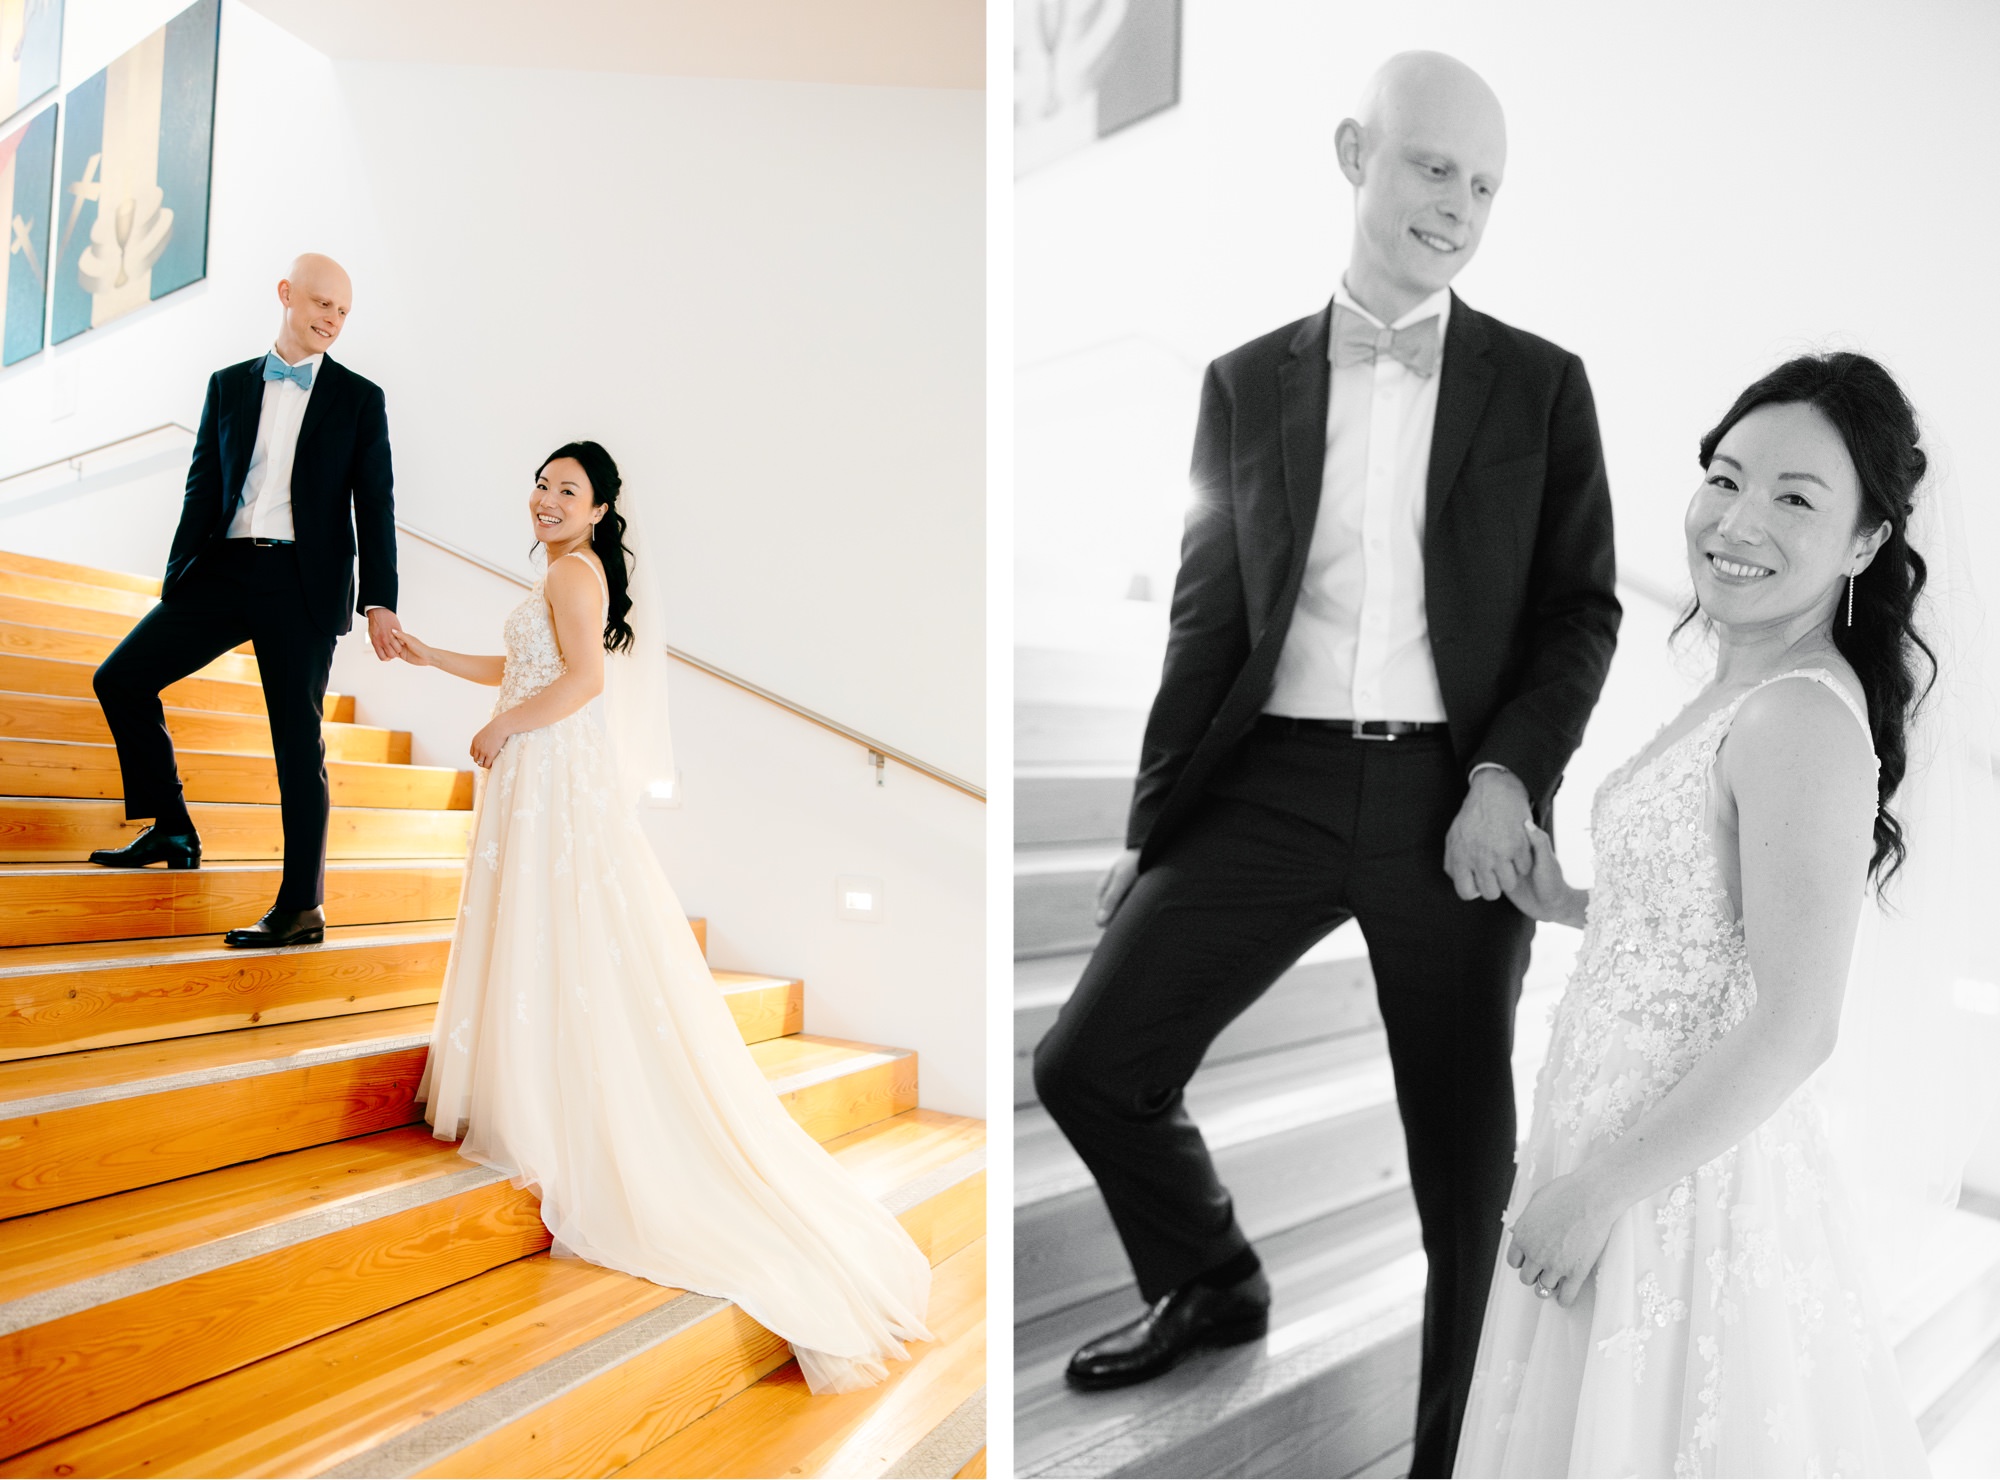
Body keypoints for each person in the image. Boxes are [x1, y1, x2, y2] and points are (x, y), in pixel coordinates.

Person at [1029, 50, 1621, 1475]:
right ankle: (1214, 1278)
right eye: (1434, 168)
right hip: (1268, 788)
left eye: (1485, 186)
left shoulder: (1544, 389)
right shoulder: (1245, 383)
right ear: (1358, 153)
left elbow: (1580, 610)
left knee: (1464, 1176)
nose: (1460, 207)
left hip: (1452, 802)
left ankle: (1447, 1461)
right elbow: (1205, 617)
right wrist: (1148, 828)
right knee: (1089, 1060)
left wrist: (1509, 779)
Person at [1455, 353, 1940, 1476]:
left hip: (1676, 1182)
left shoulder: (1800, 721)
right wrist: (1570, 902)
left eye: (1794, 498)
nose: (1737, 518)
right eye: (1724, 477)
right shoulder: (1738, 688)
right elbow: (1716, 918)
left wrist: (1595, 1191)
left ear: (1864, 543)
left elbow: (1796, 1021)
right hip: (1611, 1136)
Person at [391, 441, 932, 1392]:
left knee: (562, 930)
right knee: (542, 933)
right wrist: (432, 655)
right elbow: (526, 667)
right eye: (543, 484)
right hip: (539, 767)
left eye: (569, 490)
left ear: (598, 511)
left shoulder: (573, 569)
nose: (548, 499)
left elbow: (583, 684)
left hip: (549, 769)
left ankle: (557, 1101)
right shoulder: (560, 574)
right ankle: (533, 1082)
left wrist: (504, 728)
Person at [88, 253, 404, 947]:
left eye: (344, 311)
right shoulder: (228, 385)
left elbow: (373, 506)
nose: (332, 319)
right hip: (224, 572)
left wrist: (380, 599)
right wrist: (178, 579)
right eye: (322, 303)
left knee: (298, 746)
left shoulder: (358, 399)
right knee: (120, 679)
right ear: (286, 294)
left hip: (302, 585)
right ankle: (171, 825)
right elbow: (203, 484)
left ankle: (302, 907)